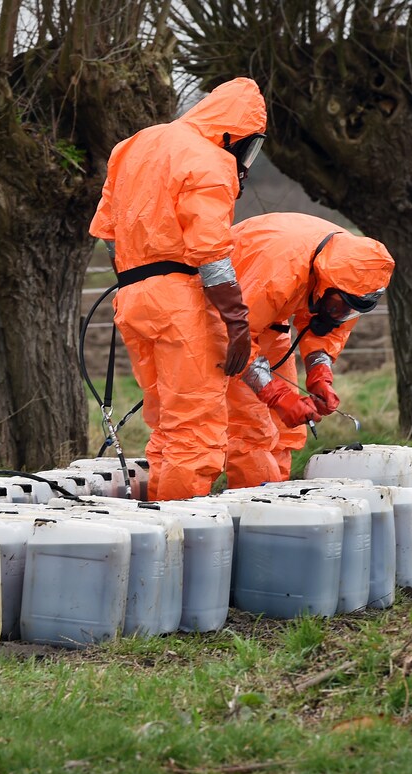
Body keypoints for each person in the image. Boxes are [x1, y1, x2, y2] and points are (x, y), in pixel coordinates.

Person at [89, 77, 267, 500]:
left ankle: (158, 539)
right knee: (197, 430)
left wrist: (142, 266)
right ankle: (184, 543)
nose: (246, 157)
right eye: (250, 145)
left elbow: (107, 230)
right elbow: (211, 253)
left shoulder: (133, 146)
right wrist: (236, 322)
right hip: (180, 304)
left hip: (131, 298)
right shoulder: (210, 159)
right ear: (233, 133)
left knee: (167, 426)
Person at [225, 212, 396, 488]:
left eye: (349, 310)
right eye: (339, 306)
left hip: (267, 318)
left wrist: (320, 375)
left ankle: (275, 496)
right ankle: (255, 509)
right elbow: (230, 337)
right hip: (222, 322)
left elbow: (325, 327)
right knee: (252, 429)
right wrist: (275, 394)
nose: (340, 313)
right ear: (327, 283)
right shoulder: (280, 270)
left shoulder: (350, 270)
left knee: (285, 430)